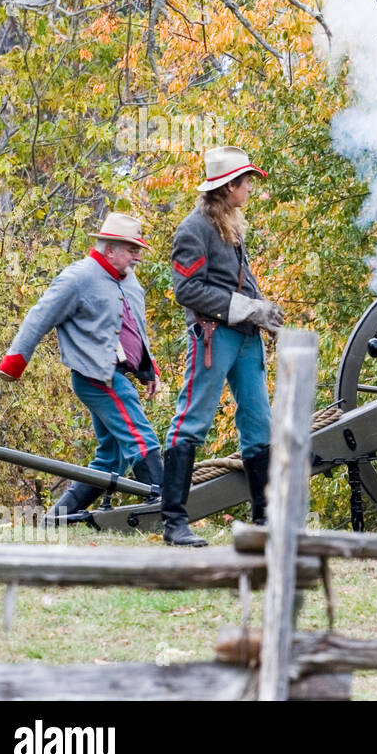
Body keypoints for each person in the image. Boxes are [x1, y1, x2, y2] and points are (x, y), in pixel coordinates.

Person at [0, 213, 162, 523]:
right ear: (110, 249)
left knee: (110, 458)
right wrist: (15, 361)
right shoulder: (78, 278)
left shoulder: (129, 278)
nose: (138, 256)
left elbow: (133, 327)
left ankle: (55, 519)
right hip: (96, 377)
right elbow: (39, 317)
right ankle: (164, 495)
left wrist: (148, 367)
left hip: (117, 373)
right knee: (139, 435)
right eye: (132, 249)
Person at [161, 146, 284, 547]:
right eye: (246, 181)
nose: (250, 188)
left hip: (245, 337)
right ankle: (174, 523)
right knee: (192, 421)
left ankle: (265, 520)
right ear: (229, 186)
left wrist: (264, 312)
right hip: (214, 336)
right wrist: (248, 308)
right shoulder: (192, 229)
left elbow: (241, 279)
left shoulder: (229, 223)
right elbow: (187, 290)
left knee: (259, 424)